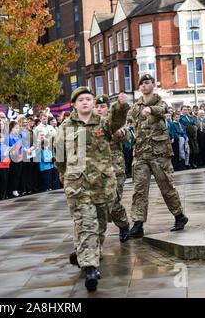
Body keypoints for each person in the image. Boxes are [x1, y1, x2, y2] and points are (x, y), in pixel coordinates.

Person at [54, 86, 129, 292]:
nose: (85, 102)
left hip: (102, 184)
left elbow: (116, 123)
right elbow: (59, 151)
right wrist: (62, 171)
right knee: (86, 223)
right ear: (74, 104)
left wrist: (121, 107)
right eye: (81, 100)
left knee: (100, 225)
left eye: (89, 99)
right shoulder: (66, 126)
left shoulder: (102, 123)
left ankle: (83, 253)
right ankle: (91, 268)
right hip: (78, 184)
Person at [129, 74, 188, 239]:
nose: (143, 86)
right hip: (141, 153)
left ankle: (179, 216)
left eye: (147, 83)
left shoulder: (160, 102)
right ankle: (138, 223)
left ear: (153, 85)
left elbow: (163, 110)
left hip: (159, 153)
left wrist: (151, 109)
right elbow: (130, 120)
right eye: (141, 84)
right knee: (139, 190)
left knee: (166, 187)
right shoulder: (136, 106)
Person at [94, 94, 130, 243]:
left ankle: (123, 224)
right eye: (97, 107)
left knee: (113, 201)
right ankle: (94, 242)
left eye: (102, 107)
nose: (99, 109)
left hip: (115, 165)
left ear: (108, 108)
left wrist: (120, 133)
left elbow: (128, 135)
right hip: (97, 168)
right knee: (99, 204)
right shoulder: (92, 123)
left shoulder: (114, 121)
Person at [8, 121, 23, 197]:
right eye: (16, 128)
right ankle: (13, 189)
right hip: (13, 158)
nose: (17, 130)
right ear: (11, 128)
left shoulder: (19, 136)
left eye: (18, 128)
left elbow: (21, 147)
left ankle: (16, 188)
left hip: (20, 157)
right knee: (13, 174)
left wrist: (21, 155)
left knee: (18, 174)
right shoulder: (9, 136)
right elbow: (12, 147)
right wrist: (17, 155)